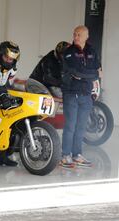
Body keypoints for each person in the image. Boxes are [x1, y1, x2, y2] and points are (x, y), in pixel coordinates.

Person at [60, 25, 102, 168]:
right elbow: (76, 72)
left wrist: (90, 74)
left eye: (79, 35)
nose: (76, 37)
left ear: (86, 36)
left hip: (86, 94)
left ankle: (76, 154)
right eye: (74, 34)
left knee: (81, 127)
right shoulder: (68, 52)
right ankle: (65, 155)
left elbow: (98, 69)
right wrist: (92, 74)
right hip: (71, 93)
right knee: (70, 126)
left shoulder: (92, 51)